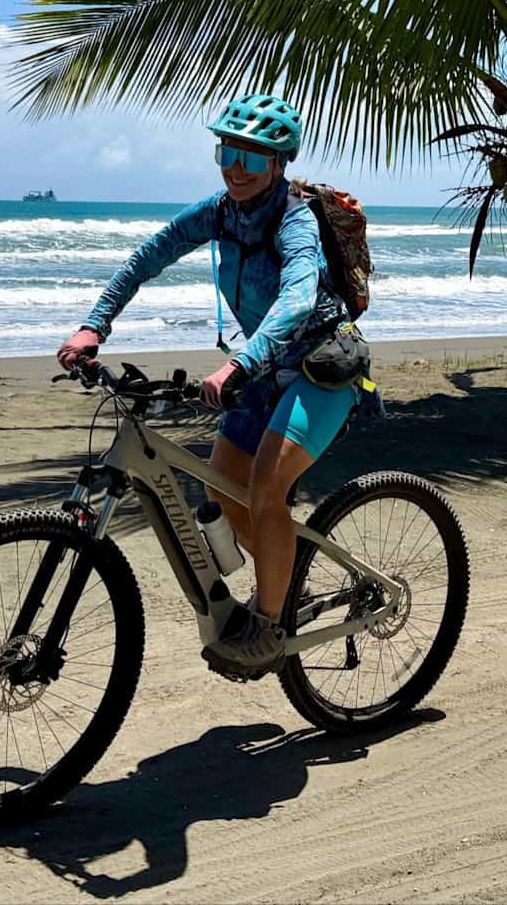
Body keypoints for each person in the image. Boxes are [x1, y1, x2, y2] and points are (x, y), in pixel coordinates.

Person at [56, 93, 352, 679]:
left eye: (251, 155)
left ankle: (268, 628)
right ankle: (283, 585)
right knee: (220, 495)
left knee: (265, 490)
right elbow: (150, 255)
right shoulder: (219, 211)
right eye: (227, 151)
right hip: (260, 372)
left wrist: (240, 364)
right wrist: (94, 324)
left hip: (320, 369)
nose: (235, 167)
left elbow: (298, 294)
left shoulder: (294, 221)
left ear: (278, 162)